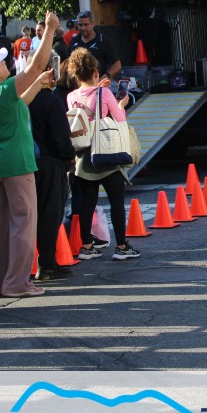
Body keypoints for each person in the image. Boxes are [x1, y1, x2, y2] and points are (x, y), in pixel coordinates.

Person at [0, 10, 58, 297]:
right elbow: (35, 65)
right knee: (23, 223)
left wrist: (39, 83)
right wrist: (50, 30)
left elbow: (19, 101)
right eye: (1, 63)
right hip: (16, 166)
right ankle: (17, 283)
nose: (6, 64)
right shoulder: (3, 91)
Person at [66, 48, 138, 261]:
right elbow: (119, 119)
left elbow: (85, 116)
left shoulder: (71, 96)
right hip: (106, 152)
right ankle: (122, 246)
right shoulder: (104, 93)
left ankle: (87, 246)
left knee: (88, 201)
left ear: (76, 75)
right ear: (95, 71)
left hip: (84, 156)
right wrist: (121, 105)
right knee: (116, 200)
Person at [30, 53, 76, 280]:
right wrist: (70, 157)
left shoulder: (22, 99)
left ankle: (26, 265)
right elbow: (61, 139)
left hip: (26, 163)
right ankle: (46, 264)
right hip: (50, 163)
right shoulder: (51, 100)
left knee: (28, 216)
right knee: (50, 214)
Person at [67, 10, 121, 81]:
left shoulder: (103, 41)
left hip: (97, 84)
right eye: (80, 25)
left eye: (86, 25)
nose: (83, 28)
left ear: (92, 24)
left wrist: (105, 76)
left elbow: (117, 65)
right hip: (78, 85)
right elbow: (68, 62)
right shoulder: (74, 41)